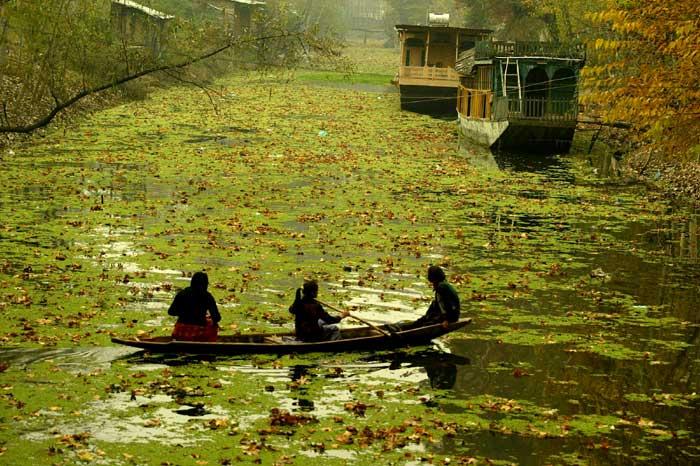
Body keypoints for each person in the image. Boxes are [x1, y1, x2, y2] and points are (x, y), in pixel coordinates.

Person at [168, 271, 221, 342]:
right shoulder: (207, 296)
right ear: (205, 284)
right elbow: (216, 317)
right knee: (214, 325)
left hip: (180, 332)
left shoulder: (182, 293)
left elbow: (171, 312)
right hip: (198, 333)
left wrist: (185, 313)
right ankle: (210, 342)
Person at [405, 266, 460, 330]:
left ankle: (407, 329)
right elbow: (438, 304)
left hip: (451, 316)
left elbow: (445, 304)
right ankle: (407, 327)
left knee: (426, 324)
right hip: (450, 314)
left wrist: (446, 320)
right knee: (422, 320)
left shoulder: (441, 287)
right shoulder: (443, 283)